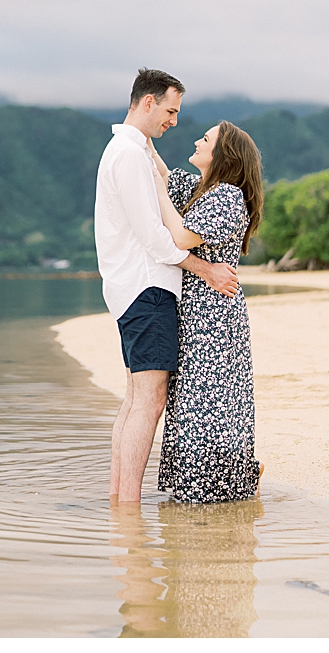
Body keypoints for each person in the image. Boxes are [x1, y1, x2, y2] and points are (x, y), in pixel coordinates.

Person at [94, 68, 239, 503]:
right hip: (146, 289)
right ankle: (129, 506)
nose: (174, 121)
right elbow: (155, 236)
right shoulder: (127, 155)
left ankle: (121, 503)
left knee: (137, 398)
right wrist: (205, 269)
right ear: (148, 102)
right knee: (150, 400)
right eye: (171, 111)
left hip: (133, 289)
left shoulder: (131, 149)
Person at [150, 121, 265, 502]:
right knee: (195, 399)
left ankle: (222, 485)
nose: (197, 141)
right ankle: (228, 479)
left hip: (214, 314)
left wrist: (162, 193)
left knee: (208, 399)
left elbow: (181, 237)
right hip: (196, 310)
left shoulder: (228, 196)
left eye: (206, 139)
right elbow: (164, 175)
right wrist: (140, 136)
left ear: (224, 154)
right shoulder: (204, 191)